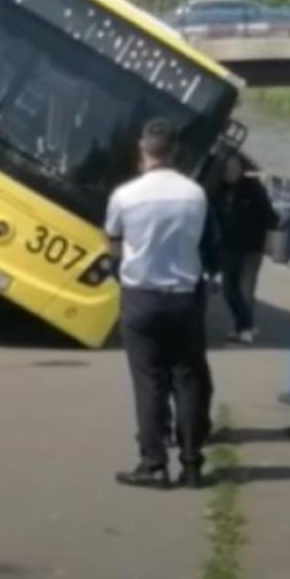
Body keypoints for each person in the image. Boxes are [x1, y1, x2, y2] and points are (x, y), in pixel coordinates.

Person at [106, 119, 213, 489]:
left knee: (148, 382)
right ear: (175, 152)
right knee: (188, 379)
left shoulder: (125, 195)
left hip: (141, 296)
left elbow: (114, 241)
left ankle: (153, 463)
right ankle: (192, 464)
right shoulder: (195, 194)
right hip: (185, 296)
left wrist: (123, 267)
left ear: (143, 150)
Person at [209, 152, 277, 344]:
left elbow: (269, 216)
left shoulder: (253, 188)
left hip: (251, 245)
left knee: (246, 287)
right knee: (229, 288)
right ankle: (246, 325)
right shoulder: (216, 190)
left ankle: (244, 328)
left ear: (241, 169)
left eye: (235, 168)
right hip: (228, 246)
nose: (232, 172)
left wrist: (269, 240)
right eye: (228, 169)